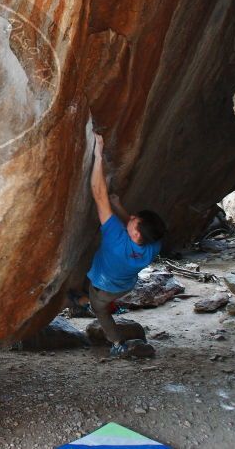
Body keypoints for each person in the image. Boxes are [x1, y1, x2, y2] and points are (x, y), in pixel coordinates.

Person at [86, 133, 166, 357]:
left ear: (135, 232)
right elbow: (130, 223)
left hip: (102, 288)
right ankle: (105, 305)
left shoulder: (114, 239)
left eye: (133, 220)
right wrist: (119, 206)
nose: (129, 217)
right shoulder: (152, 246)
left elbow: (98, 193)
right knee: (106, 299)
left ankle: (116, 342)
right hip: (124, 286)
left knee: (99, 310)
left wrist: (97, 154)